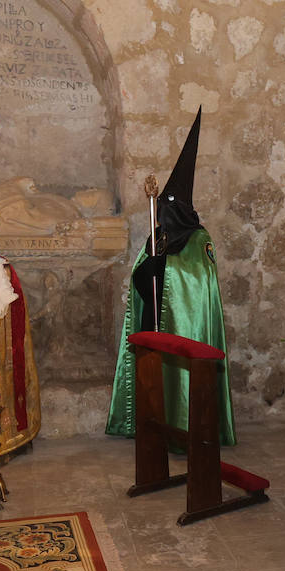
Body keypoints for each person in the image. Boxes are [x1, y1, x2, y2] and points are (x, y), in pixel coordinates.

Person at [106, 109, 236, 445]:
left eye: (167, 207)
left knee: (179, 376)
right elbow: (140, 274)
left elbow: (198, 283)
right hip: (154, 320)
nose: (162, 213)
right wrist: (145, 270)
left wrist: (164, 269)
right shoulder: (156, 236)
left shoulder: (199, 238)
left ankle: (185, 429)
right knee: (154, 375)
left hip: (184, 329)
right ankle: (154, 427)